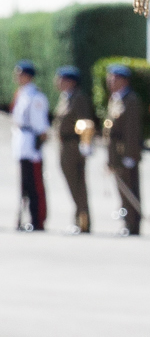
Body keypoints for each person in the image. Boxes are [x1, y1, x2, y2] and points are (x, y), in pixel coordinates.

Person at [52, 65, 94, 233]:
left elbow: (85, 122)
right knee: (72, 184)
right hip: (64, 145)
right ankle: (79, 217)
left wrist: (85, 143)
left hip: (74, 145)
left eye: (60, 79)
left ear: (70, 82)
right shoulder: (66, 97)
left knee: (78, 184)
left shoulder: (78, 98)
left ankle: (83, 221)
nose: (57, 82)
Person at [104, 64, 145, 235]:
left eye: (114, 78)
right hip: (115, 151)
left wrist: (131, 154)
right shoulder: (116, 98)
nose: (110, 81)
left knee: (130, 188)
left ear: (124, 81)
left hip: (125, 152)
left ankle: (133, 225)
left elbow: (132, 130)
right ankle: (127, 222)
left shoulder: (131, 100)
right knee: (121, 189)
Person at [11, 61, 48, 230]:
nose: (17, 77)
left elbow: (40, 127)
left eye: (20, 74)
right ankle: (25, 218)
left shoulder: (35, 96)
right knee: (24, 185)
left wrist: (37, 146)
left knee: (35, 186)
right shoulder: (22, 93)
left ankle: (37, 220)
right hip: (22, 143)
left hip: (31, 144)